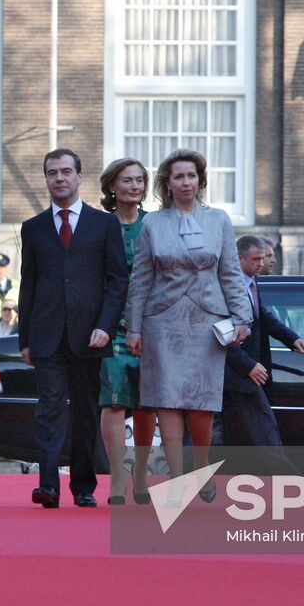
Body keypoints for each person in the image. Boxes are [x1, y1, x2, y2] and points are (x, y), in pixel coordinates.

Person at [126, 149, 251, 504]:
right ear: (167, 183)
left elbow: (229, 271)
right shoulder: (153, 223)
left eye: (192, 176)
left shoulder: (219, 220)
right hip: (162, 321)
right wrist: (134, 328)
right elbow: (140, 279)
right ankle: (177, 478)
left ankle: (201, 465)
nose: (186, 182)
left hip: (207, 320)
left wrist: (242, 317)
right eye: (179, 176)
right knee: (166, 400)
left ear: (200, 181)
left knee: (201, 402)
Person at [18, 149, 128, 509]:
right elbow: (28, 284)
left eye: (66, 172)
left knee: (84, 411)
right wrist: (25, 338)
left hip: (90, 336)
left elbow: (117, 281)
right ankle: (48, 485)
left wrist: (106, 327)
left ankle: (83, 486)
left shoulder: (104, 224)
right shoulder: (33, 228)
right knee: (48, 409)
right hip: (47, 335)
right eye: (52, 173)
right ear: (46, 179)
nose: (59, 178)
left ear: (80, 177)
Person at [96, 157, 157, 505]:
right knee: (114, 402)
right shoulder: (100, 225)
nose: (134, 186)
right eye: (127, 180)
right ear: (112, 187)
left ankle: (142, 473)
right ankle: (117, 477)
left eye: (139, 180)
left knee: (147, 404)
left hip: (151, 324)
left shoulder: (156, 224)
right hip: (112, 324)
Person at [222, 236, 304, 468]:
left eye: (263, 258)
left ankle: (181, 477)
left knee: (211, 429)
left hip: (234, 372)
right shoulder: (229, 286)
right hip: (238, 371)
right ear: (239, 259)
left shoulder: (250, 282)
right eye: (255, 259)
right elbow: (222, 334)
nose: (261, 263)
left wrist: (292, 338)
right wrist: (247, 365)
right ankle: (288, 482)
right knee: (264, 427)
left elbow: (263, 317)